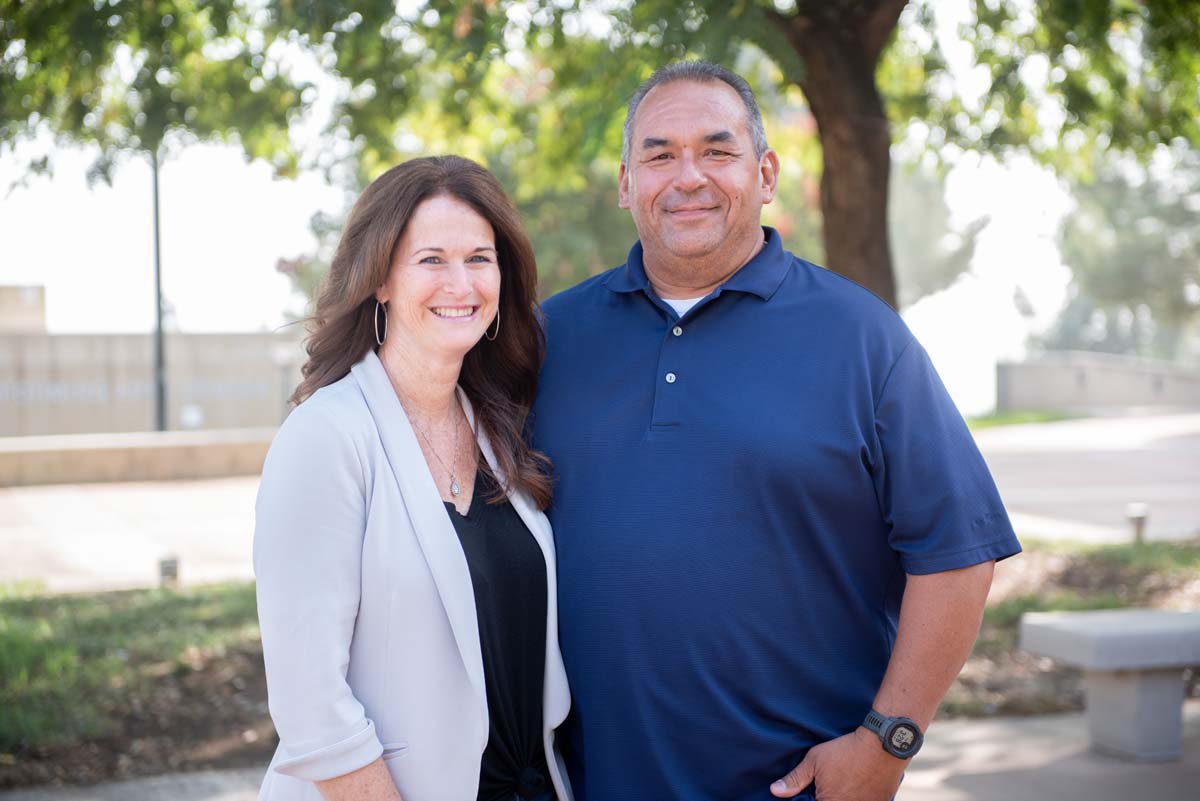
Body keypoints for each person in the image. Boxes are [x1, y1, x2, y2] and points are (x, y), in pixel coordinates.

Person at [531, 61, 1021, 801]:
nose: (687, 175)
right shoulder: (546, 341)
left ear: (765, 175)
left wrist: (887, 742)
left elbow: (957, 554)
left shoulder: (862, 337)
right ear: (627, 184)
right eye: (659, 154)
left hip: (798, 788)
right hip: (587, 782)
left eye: (717, 151)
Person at [254, 155, 571, 801]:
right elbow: (311, 701)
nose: (461, 282)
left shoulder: (500, 428)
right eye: (431, 259)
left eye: (480, 258)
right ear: (381, 280)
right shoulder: (328, 436)